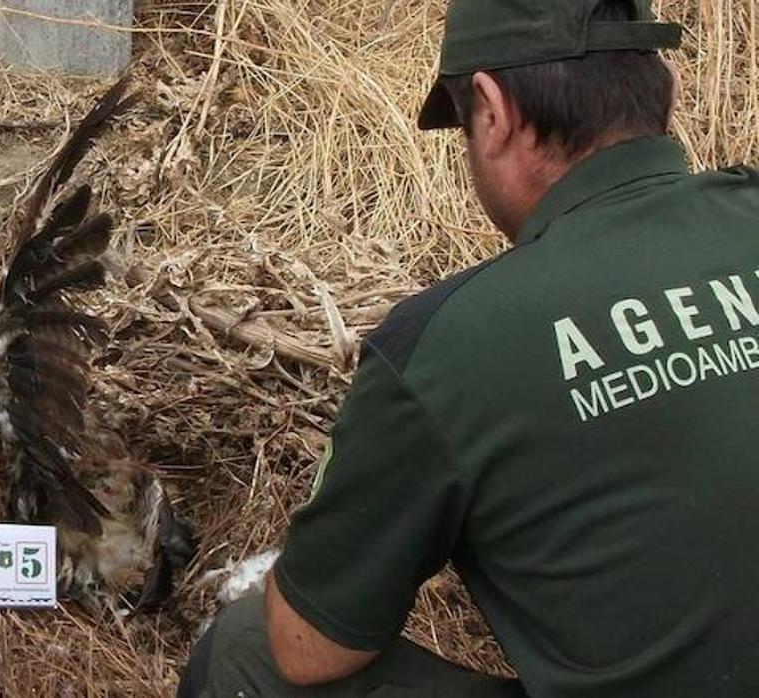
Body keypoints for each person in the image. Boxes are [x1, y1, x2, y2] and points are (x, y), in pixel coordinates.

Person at [181, 0, 759, 696]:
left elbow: (310, 648)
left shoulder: (445, 343)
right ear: (661, 85)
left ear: (491, 110)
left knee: (248, 649)